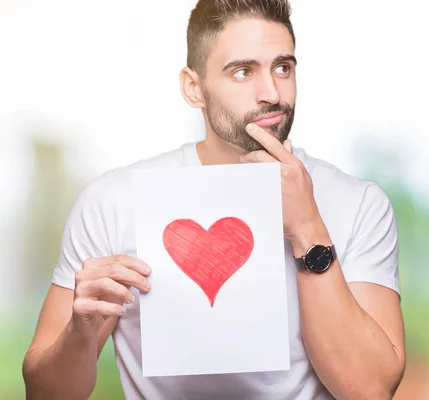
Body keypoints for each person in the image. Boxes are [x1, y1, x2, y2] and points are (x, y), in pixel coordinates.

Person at [22, 0, 406, 399]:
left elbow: (371, 390)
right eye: (243, 71)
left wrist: (307, 228)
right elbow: (45, 394)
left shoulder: (358, 203)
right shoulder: (114, 203)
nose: (272, 93)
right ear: (194, 88)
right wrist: (78, 333)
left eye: (283, 67)